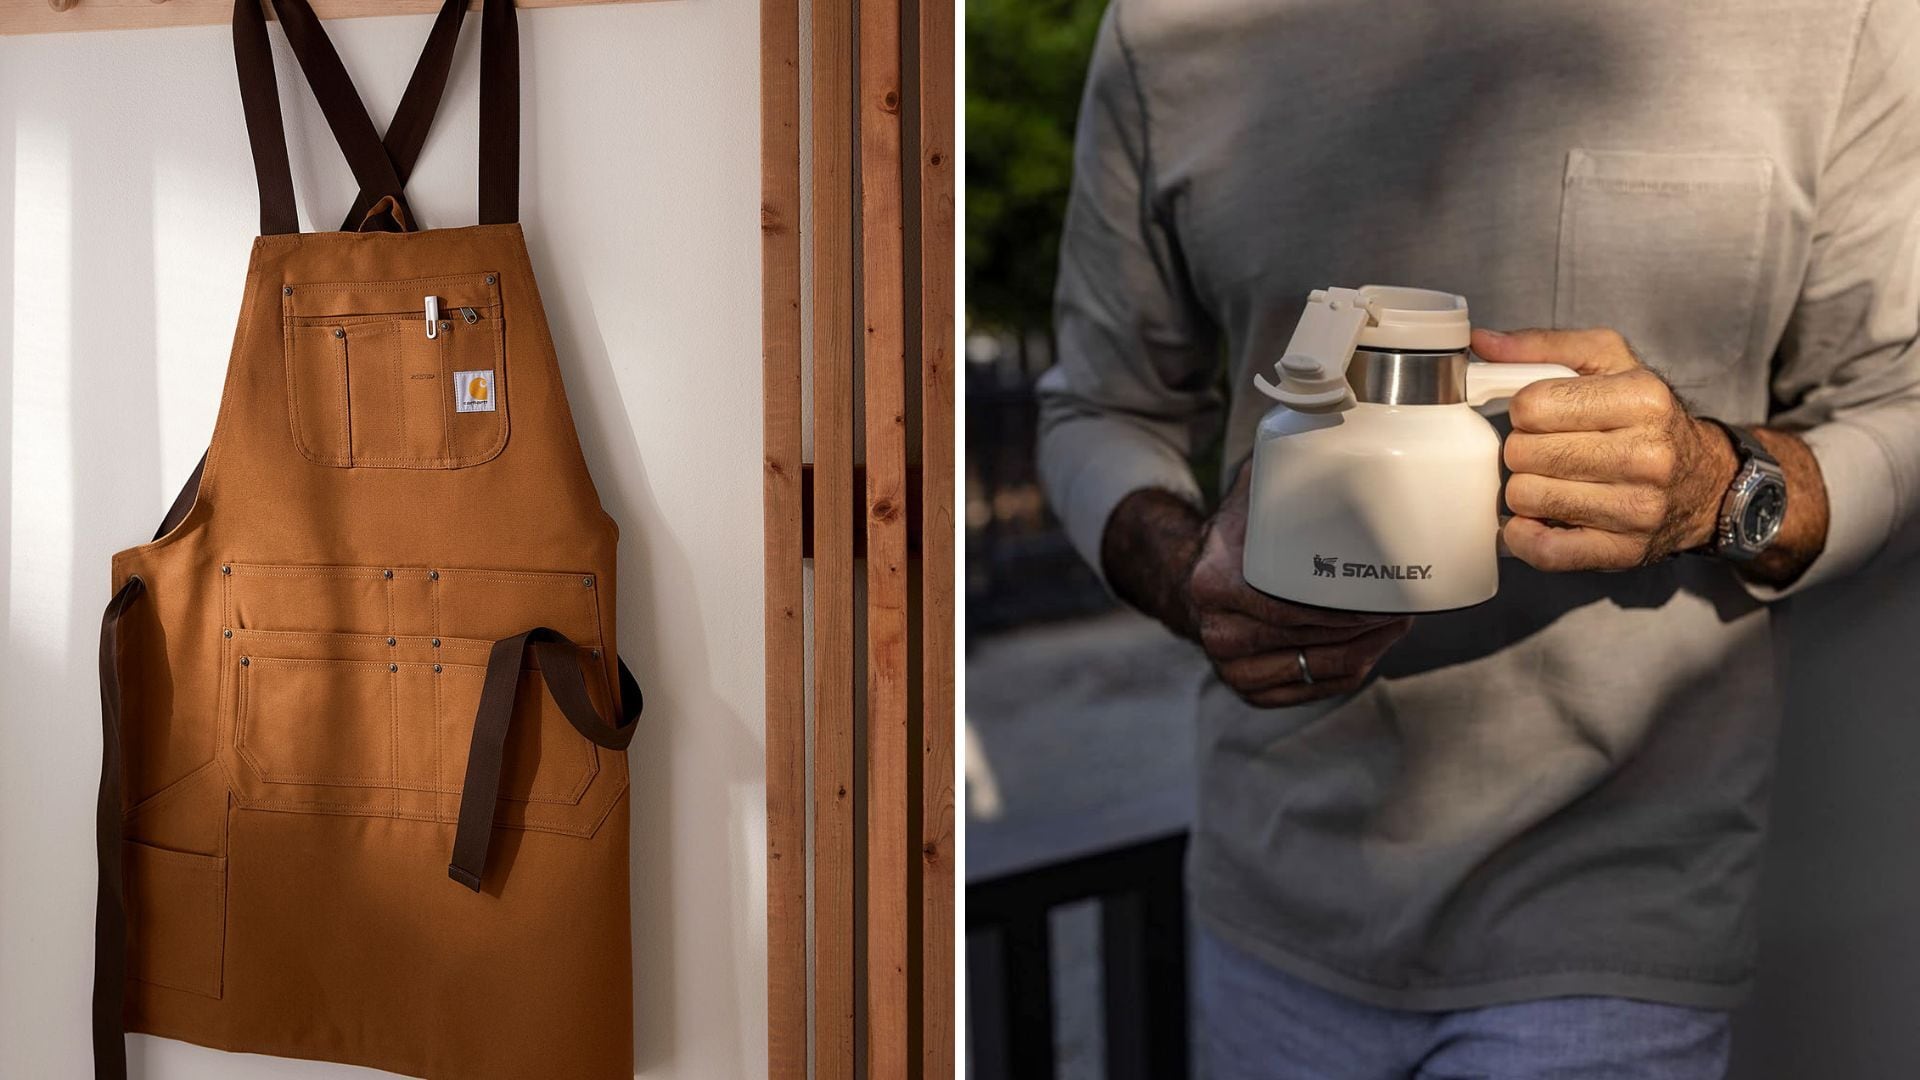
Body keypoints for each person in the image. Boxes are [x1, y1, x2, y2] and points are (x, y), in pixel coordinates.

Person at [1035, 0, 1920, 1075]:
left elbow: (1899, 398)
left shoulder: (1834, 21)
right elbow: (1099, 407)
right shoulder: (1168, 27)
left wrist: (1716, 485)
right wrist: (1185, 575)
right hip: (1275, 905)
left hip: (1616, 926)